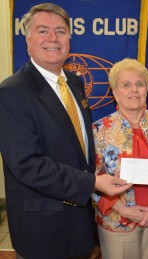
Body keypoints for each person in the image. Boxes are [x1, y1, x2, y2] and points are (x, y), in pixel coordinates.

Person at [0, 3, 130, 259]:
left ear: (69, 38)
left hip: (79, 220)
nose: (52, 38)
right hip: (42, 228)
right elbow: (27, 165)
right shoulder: (12, 92)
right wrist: (92, 182)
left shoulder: (74, 81)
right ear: (27, 38)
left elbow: (78, 146)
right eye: (42, 31)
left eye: (60, 31)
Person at [92, 58, 148, 259]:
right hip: (116, 220)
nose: (134, 89)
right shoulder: (99, 130)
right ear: (115, 92)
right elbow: (90, 180)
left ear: (146, 90)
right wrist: (124, 209)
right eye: (126, 85)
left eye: (139, 84)